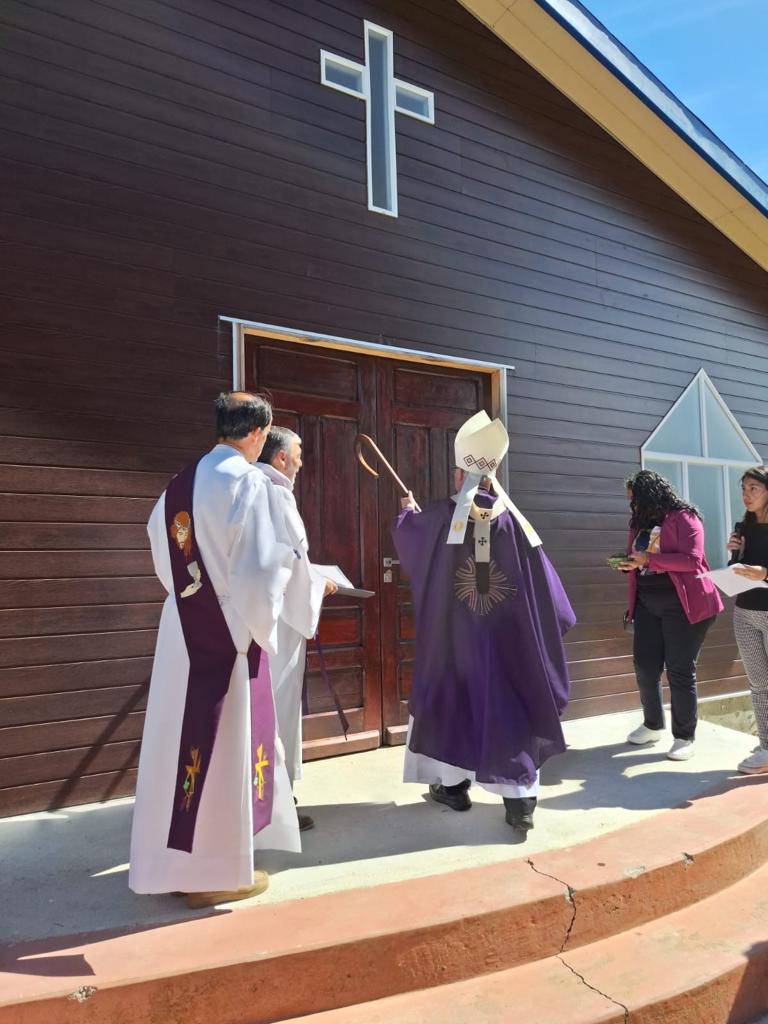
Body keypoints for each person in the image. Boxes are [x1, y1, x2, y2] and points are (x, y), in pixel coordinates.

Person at [129, 392, 303, 908]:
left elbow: (164, 556)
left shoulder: (178, 484)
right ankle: (217, 872)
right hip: (230, 628)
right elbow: (265, 568)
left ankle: (172, 865)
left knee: (176, 744)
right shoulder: (253, 484)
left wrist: (195, 595)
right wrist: (260, 623)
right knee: (224, 744)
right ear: (258, 433)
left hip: (183, 627)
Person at [392, 412, 575, 833]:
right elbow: (550, 593)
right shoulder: (516, 524)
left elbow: (411, 540)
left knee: (452, 706)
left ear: (461, 476)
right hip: (509, 645)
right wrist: (545, 630)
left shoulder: (439, 518)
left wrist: (407, 513)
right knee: (509, 707)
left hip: (454, 646)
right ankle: (520, 802)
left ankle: (452, 787)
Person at [256, 426, 337, 829]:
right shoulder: (275, 494)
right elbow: (291, 564)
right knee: (277, 710)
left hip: (253, 619)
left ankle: (271, 797)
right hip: (278, 626)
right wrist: (319, 588)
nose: (302, 462)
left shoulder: (247, 488)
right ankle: (275, 804)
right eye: (298, 453)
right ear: (280, 458)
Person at [616, 470, 722, 761]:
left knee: (679, 669)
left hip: (685, 603)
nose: (631, 505)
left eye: (633, 498)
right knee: (645, 666)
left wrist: (650, 559)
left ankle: (684, 736)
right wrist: (630, 564)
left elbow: (693, 560)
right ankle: (652, 724)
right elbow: (640, 559)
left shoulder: (684, 517)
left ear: (648, 494)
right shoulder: (639, 524)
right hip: (647, 602)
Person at [727, 466, 768, 774]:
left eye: (753, 487)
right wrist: (734, 556)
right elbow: (738, 570)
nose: (746, 494)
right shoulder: (743, 526)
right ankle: (766, 745)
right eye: (743, 488)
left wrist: (764, 573)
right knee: (758, 683)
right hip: (744, 612)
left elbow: (759, 572)